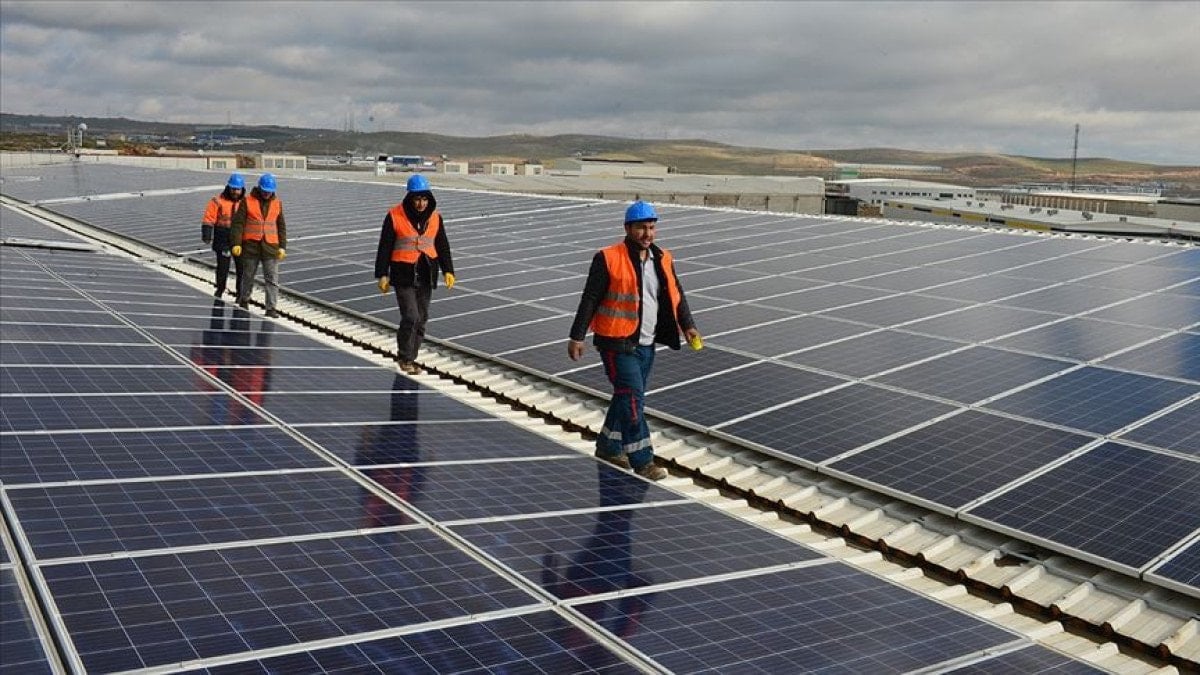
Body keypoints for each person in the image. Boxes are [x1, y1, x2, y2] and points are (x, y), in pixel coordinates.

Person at [567, 200, 701, 481]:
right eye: (641, 228)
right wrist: (577, 336)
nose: (647, 234)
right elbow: (590, 299)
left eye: (651, 228)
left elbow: (676, 294)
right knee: (632, 400)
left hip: (647, 343)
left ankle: (608, 446)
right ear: (628, 228)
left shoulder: (663, 258)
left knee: (626, 396)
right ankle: (643, 461)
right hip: (616, 342)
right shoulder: (608, 258)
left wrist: (688, 326)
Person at [374, 174, 455, 375]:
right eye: (417, 199)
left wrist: (448, 270)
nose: (421, 204)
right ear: (410, 198)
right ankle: (405, 357)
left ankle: (411, 357)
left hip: (427, 273)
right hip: (403, 274)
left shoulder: (435, 218)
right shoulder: (395, 215)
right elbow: (385, 246)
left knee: (422, 319)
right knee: (411, 316)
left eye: (424, 199)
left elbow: (442, 245)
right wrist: (382, 274)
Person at [231, 173, 287, 318]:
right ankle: (244, 300)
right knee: (248, 276)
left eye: (270, 191)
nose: (267, 193)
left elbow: (281, 226)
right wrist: (236, 243)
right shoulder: (247, 201)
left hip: (270, 247)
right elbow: (238, 224)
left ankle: (271, 308)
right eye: (265, 190)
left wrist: (282, 246)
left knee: (272, 279)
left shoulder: (277, 203)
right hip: (251, 246)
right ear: (259, 188)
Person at [200, 172, 245, 297]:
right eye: (233, 189)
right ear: (229, 187)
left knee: (242, 268)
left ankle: (241, 294)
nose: (235, 192)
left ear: (242, 189)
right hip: (223, 238)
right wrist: (207, 233)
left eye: (238, 189)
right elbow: (209, 217)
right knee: (223, 267)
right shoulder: (217, 201)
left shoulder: (246, 203)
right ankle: (220, 290)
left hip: (240, 239)